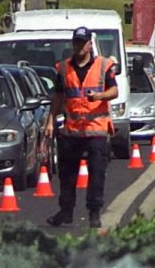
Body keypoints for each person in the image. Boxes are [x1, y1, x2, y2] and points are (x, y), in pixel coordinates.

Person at [48, 26, 117, 228]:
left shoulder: (104, 66)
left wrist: (99, 96)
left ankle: (94, 212)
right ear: (73, 43)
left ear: (90, 44)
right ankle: (66, 211)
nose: (79, 46)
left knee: (96, 174)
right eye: (76, 42)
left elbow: (114, 91)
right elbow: (58, 97)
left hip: (96, 129)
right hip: (72, 131)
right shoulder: (62, 68)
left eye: (83, 42)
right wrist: (50, 120)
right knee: (67, 175)